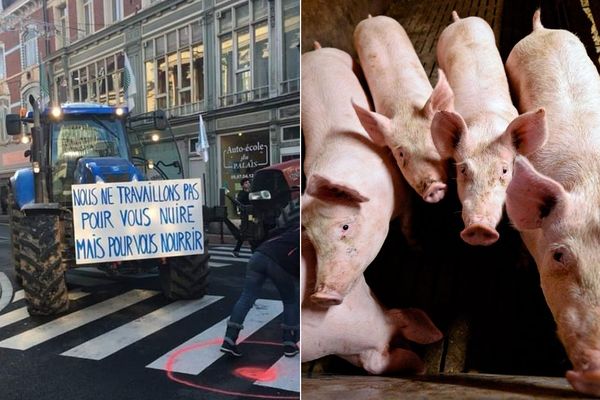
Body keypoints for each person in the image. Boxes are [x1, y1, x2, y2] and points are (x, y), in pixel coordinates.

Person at [221, 198, 300, 358]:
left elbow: (276, 229)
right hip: (280, 262)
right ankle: (289, 343)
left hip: (260, 255)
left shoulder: (293, 219)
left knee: (246, 297)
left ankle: (229, 339)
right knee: (291, 300)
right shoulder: (309, 233)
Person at [232, 177, 252, 257]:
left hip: (251, 214)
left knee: (251, 229)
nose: (248, 184)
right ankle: (236, 250)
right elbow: (239, 203)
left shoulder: (251, 192)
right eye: (246, 183)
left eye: (248, 182)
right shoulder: (242, 194)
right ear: (243, 185)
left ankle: (237, 250)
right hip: (245, 215)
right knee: (245, 231)